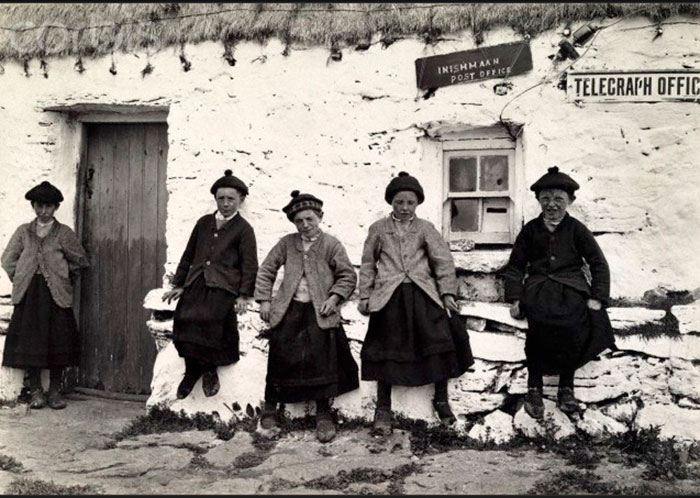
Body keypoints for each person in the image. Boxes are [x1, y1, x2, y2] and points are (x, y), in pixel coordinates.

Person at [358, 171, 474, 436]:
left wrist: (447, 293)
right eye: (399, 202)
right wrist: (366, 295)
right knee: (385, 347)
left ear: (417, 203)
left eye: (410, 202)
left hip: (423, 293)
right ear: (391, 202)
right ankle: (383, 409)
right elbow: (367, 264)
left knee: (438, 339)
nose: (404, 207)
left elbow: (442, 261)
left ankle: (441, 399)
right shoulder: (378, 229)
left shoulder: (425, 229)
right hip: (390, 296)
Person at [504, 166, 615, 419]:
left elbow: (598, 263)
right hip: (539, 288)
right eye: (545, 199)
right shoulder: (530, 230)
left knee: (575, 324)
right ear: (539, 201)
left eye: (558, 199)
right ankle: (534, 389)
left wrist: (597, 297)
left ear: (570, 201)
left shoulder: (577, 229)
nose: (551, 205)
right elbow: (516, 266)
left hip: (571, 288)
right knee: (539, 326)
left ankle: (566, 388)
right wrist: (515, 298)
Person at [254, 190, 359, 443]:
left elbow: (347, 275)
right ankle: (270, 409)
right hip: (289, 309)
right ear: (293, 222)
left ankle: (323, 414)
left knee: (321, 358)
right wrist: (265, 301)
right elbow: (267, 270)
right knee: (280, 354)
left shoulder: (331, 244)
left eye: (310, 219)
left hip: (319, 311)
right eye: (299, 220)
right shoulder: (286, 244)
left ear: (320, 217)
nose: (305, 225)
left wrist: (334, 298)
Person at [162, 169, 258, 400]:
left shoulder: (244, 229)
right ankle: (191, 371)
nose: (225, 203)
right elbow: (188, 254)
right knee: (184, 319)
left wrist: (244, 295)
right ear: (215, 199)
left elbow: (249, 264)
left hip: (223, 287)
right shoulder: (203, 223)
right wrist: (179, 283)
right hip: (196, 282)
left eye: (231, 199)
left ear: (240, 200)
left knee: (211, 323)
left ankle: (208, 370)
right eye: (221, 198)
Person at [1, 181, 89, 409]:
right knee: (32, 341)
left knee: (58, 339)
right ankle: (36, 391)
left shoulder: (64, 233)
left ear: (56, 207)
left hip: (56, 296)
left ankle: (55, 392)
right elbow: (8, 259)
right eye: (38, 206)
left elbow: (79, 260)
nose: (43, 211)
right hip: (30, 295)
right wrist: (21, 278)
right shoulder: (23, 232)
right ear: (33, 206)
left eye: (48, 207)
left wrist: (64, 279)